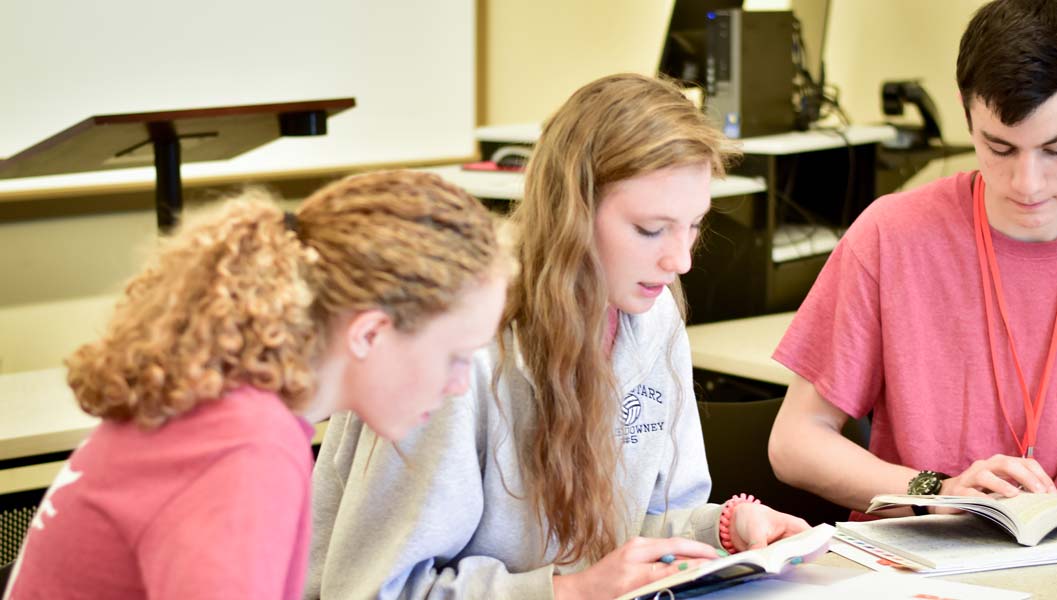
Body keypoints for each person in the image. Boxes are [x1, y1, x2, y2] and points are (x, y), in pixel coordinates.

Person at [305, 73, 811, 600]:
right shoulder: (459, 347)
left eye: (693, 225)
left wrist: (725, 530)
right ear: (572, 212)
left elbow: (642, 525)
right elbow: (373, 589)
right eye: (649, 229)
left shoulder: (651, 314)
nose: (679, 259)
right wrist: (570, 591)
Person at [768, 0, 1057, 528]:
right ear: (967, 113)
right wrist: (938, 490)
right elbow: (794, 441)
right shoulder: (890, 236)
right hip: (920, 560)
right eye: (999, 147)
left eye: (1056, 148)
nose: (1028, 183)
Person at [2, 170, 509, 599]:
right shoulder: (244, 453)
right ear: (370, 332)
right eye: (456, 357)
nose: (461, 386)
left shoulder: (234, 406)